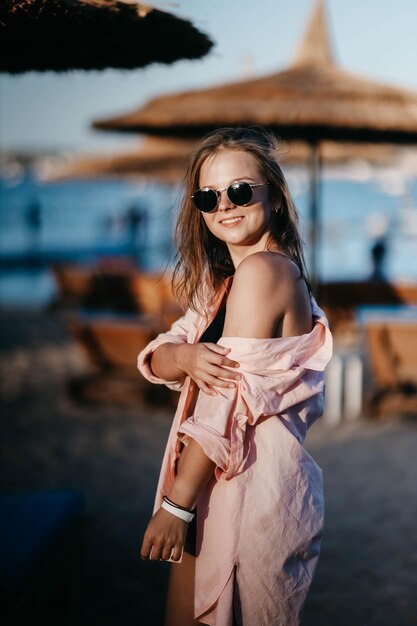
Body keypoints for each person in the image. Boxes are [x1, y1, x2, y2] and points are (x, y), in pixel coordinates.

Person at [137, 127, 333, 626]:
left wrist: (175, 506)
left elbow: (226, 400)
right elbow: (159, 356)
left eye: (241, 190)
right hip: (209, 481)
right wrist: (184, 357)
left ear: (274, 194)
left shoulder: (265, 273)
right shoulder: (221, 281)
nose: (225, 205)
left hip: (245, 488)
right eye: (208, 196)